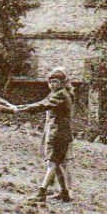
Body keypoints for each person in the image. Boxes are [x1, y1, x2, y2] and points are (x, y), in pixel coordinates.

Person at [22, 68, 75, 204]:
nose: (52, 85)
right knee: (56, 164)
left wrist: (24, 108)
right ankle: (64, 193)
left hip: (58, 134)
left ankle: (41, 193)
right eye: (50, 82)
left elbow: (45, 105)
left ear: (62, 83)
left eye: (56, 82)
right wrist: (26, 106)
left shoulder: (61, 94)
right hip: (58, 133)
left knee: (51, 163)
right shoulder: (56, 93)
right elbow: (42, 102)